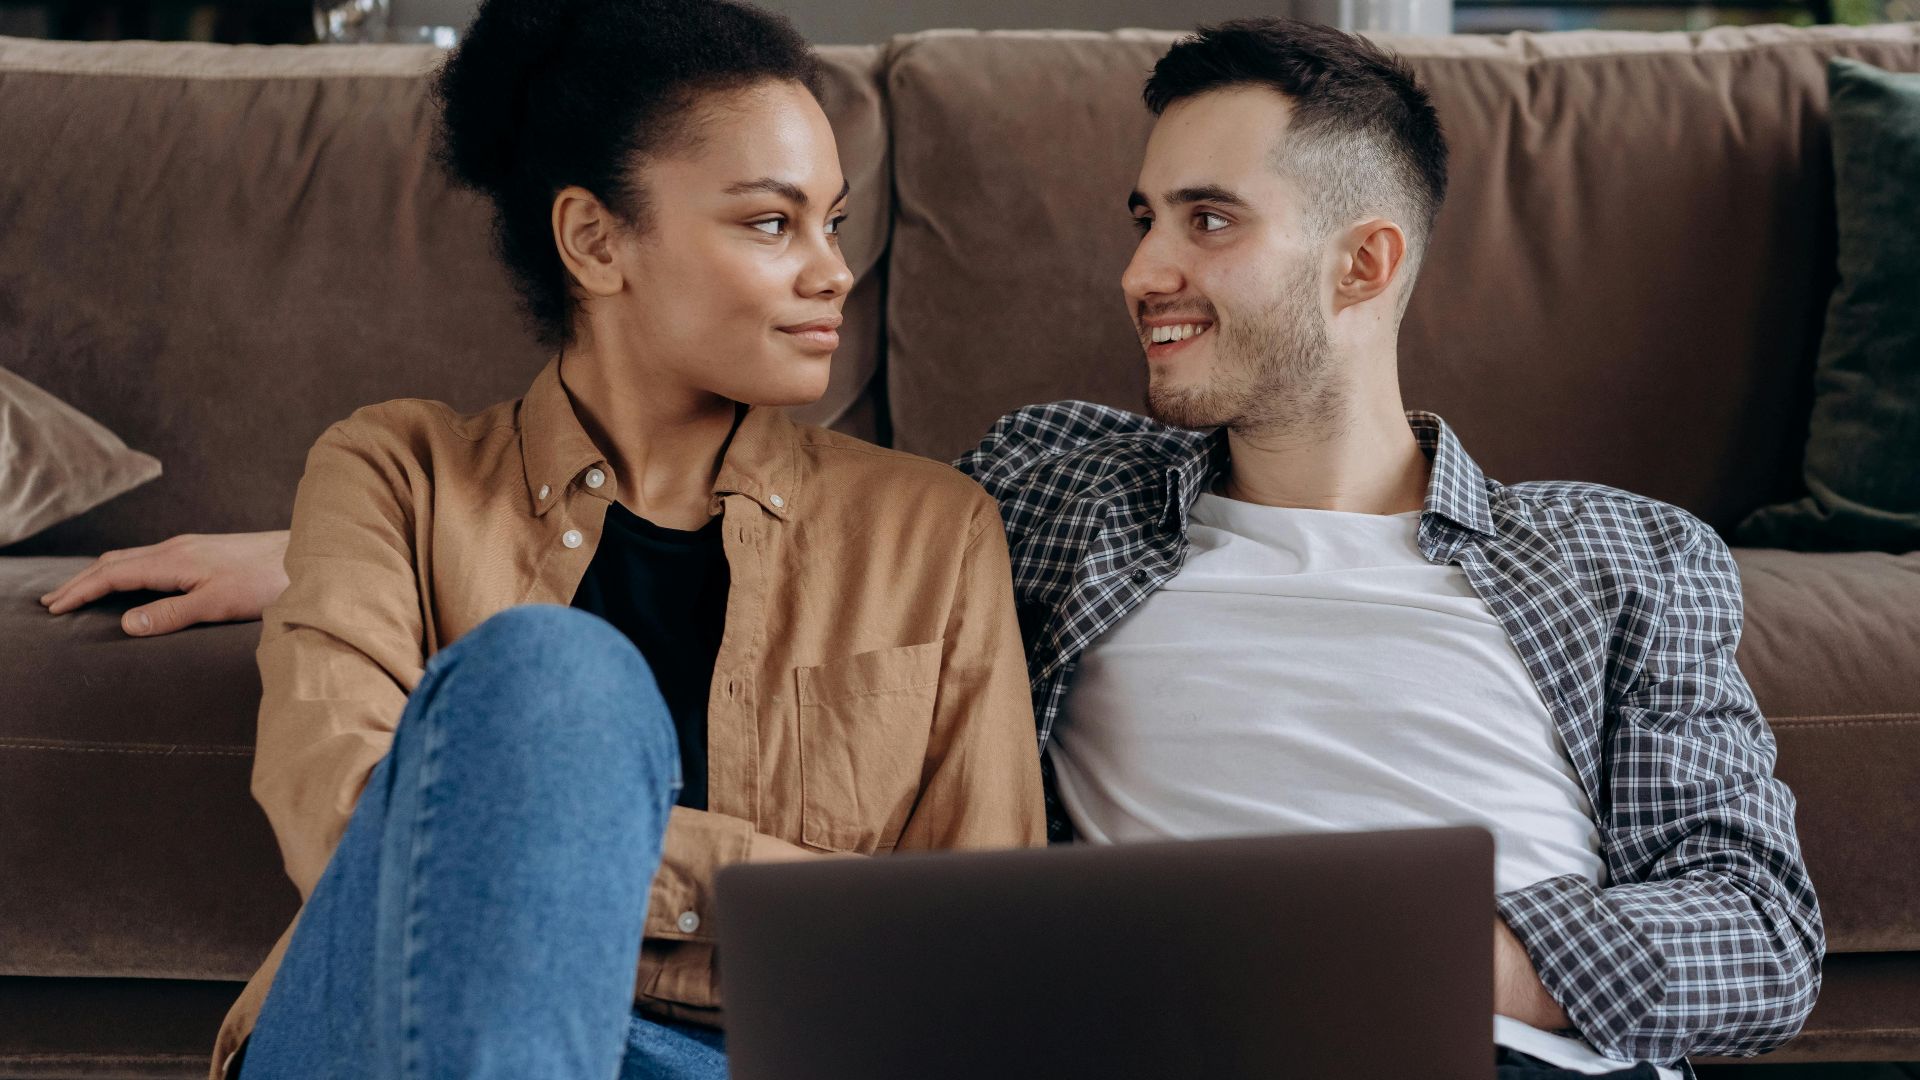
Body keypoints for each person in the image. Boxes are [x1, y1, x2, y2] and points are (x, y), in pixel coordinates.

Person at [41, 17, 1820, 1080]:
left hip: (1475, 1046)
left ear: (1363, 268)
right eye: (1141, 219)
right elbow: (450, 756)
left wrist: (1375, 955)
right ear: (597, 237)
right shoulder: (1059, 490)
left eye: (1206, 221)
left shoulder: (1625, 555)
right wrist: (348, 569)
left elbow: (1758, 934)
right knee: (545, 675)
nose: (1138, 270)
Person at [47, 1, 1048, 1077]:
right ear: (594, 240)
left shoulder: (936, 531)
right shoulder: (391, 473)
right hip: (396, 1026)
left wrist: (537, 853)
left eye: (833, 223)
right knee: (554, 676)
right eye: (771, 223)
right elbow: (349, 828)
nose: (831, 271)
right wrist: (789, 895)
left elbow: (975, 949)